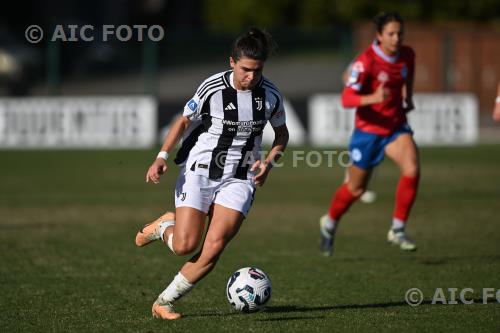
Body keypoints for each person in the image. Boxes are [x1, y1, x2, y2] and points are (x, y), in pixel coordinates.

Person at [135, 27, 289, 320]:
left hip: (241, 177)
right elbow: (183, 122)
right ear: (231, 62)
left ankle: (163, 303)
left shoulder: (270, 96)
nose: (251, 77)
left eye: (257, 70)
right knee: (185, 245)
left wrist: (269, 162)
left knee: (214, 248)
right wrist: (161, 157)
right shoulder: (212, 88)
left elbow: (282, 134)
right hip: (201, 171)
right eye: (245, 69)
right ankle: (165, 225)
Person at [319, 12, 419, 256]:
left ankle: (397, 228)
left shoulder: (407, 55)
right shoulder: (365, 62)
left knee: (412, 169)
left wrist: (407, 96)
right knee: (355, 189)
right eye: (391, 34)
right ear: (379, 36)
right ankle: (329, 223)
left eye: (400, 33)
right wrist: (373, 98)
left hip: (395, 126)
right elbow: (346, 98)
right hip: (368, 132)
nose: (396, 38)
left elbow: (407, 77)